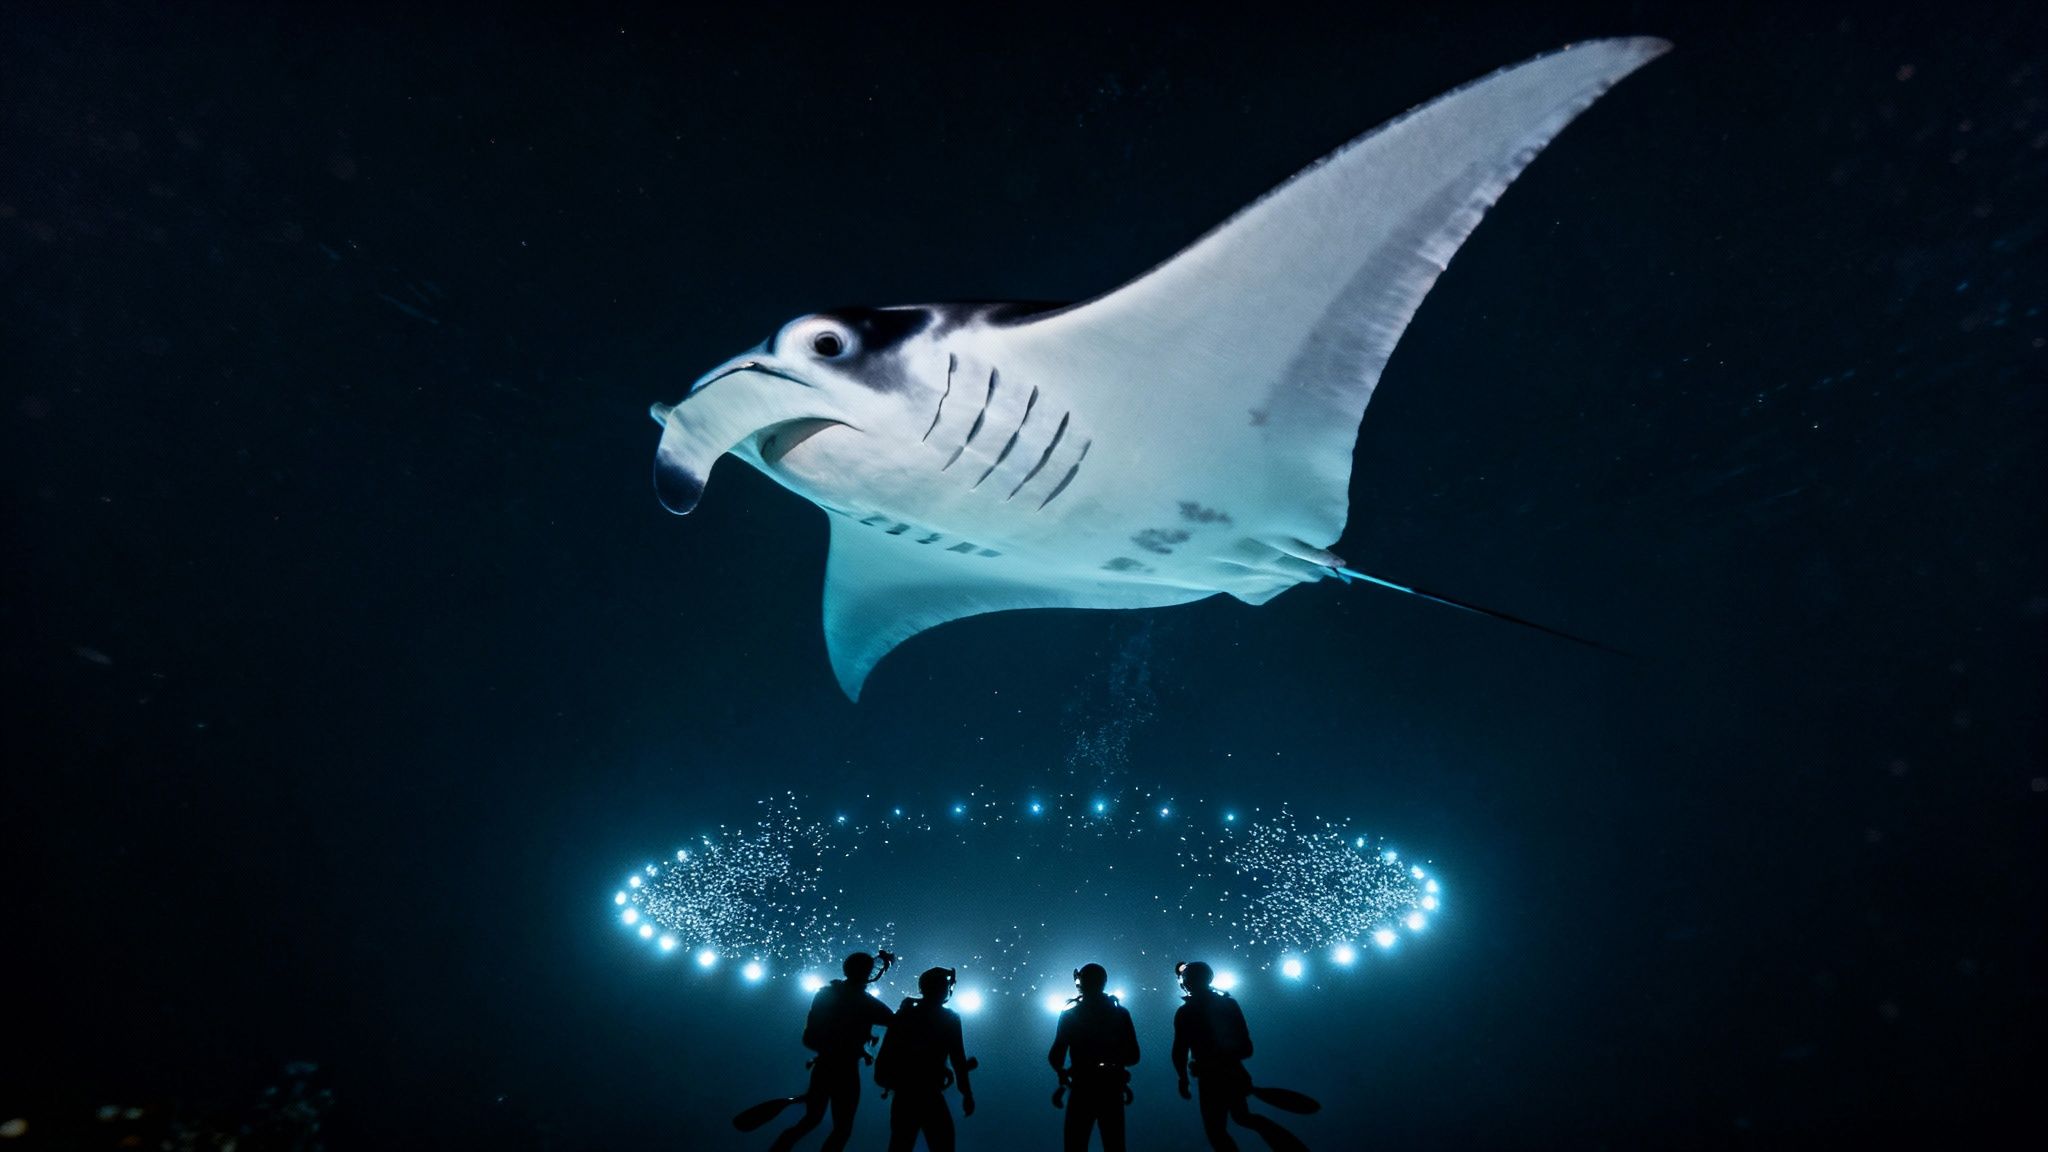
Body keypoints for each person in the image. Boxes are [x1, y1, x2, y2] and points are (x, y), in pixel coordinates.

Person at [768, 951, 896, 1152]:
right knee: (842, 1129)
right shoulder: (865, 1002)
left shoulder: (826, 994)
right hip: (845, 1070)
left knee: (812, 1120)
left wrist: (832, 1050)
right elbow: (893, 1020)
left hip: (824, 1067)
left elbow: (809, 1037)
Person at [1171, 961, 1294, 1152]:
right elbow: (1246, 1047)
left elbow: (1179, 1050)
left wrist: (1183, 1077)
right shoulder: (1228, 1004)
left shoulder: (1185, 1013)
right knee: (1242, 1118)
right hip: (1234, 1073)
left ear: (1187, 983)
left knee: (1216, 1131)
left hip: (1210, 1080)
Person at [876, 966, 976, 1152]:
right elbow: (958, 1059)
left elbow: (887, 1052)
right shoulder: (950, 1018)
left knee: (900, 1144)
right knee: (943, 1145)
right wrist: (967, 1094)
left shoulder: (905, 1014)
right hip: (930, 1094)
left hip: (904, 1093)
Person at [1048, 963, 1141, 1152]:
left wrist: (1063, 1075)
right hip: (1112, 1088)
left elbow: (1056, 1057)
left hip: (1082, 1088)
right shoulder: (1120, 1013)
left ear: (1080, 982)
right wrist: (1114, 1066)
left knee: (1075, 1145)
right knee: (1115, 1145)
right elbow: (1134, 1056)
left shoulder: (1070, 1014)